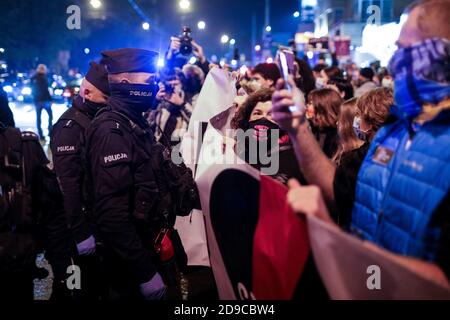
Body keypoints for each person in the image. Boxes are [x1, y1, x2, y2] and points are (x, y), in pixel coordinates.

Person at [275, 0, 450, 288]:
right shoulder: (390, 132)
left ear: (439, 53)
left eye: (404, 50)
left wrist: (333, 236)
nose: (394, 61)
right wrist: (298, 130)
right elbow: (340, 190)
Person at [85, 48, 166, 300]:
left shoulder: (134, 121)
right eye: (149, 81)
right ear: (124, 82)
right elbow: (112, 215)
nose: (155, 87)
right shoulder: (112, 131)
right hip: (127, 265)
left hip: (142, 246)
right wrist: (145, 273)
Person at [50, 61, 110, 299]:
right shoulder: (70, 127)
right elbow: (68, 186)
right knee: (78, 291)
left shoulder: (91, 119)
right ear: (87, 92)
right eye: (105, 98)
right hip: (76, 228)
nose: (108, 103)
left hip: (94, 220)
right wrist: (81, 234)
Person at [232, 88, 304, 185]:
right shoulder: (236, 149)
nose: (264, 118)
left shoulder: (291, 156)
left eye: (271, 114)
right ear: (247, 118)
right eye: (257, 113)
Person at [307, 88, 342, 158]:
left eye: (310, 103)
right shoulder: (315, 129)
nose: (307, 106)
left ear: (322, 108)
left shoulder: (336, 138)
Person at [31, 64, 53, 140]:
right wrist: (50, 99)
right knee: (50, 116)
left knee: (38, 118)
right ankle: (50, 132)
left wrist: (34, 98)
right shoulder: (44, 78)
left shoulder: (33, 78)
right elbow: (46, 90)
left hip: (37, 101)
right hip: (45, 100)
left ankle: (41, 134)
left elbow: (32, 89)